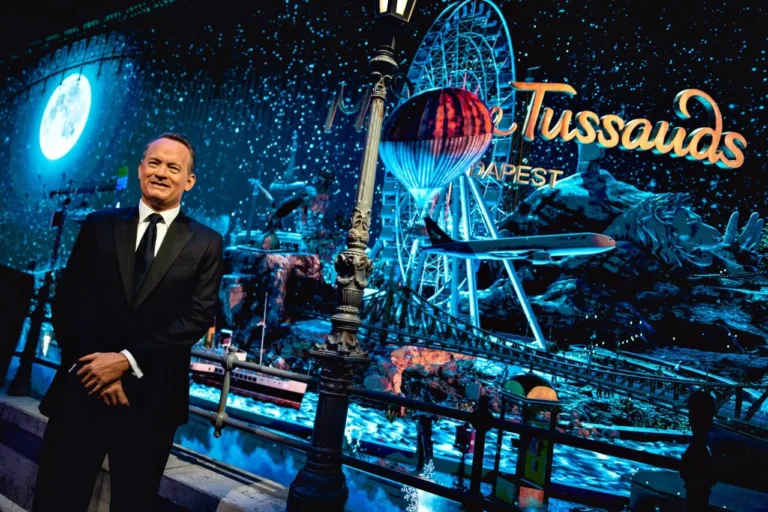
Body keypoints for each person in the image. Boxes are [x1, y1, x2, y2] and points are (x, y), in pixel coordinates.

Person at [33, 133, 225, 512]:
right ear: (140, 169)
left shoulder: (207, 242)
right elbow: (68, 300)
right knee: (57, 499)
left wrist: (125, 361)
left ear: (189, 181)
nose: (161, 173)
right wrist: (98, 369)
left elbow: (196, 318)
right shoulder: (98, 224)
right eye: (154, 163)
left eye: (174, 167)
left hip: (151, 402)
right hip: (83, 388)